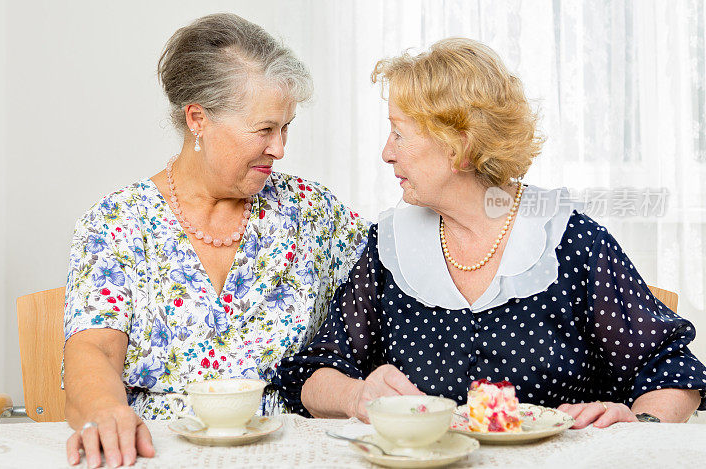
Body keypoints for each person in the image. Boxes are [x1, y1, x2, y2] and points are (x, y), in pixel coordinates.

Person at [274, 37, 706, 429]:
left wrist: (638, 422)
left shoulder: (570, 240)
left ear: (458, 145)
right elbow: (311, 374)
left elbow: (671, 369)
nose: (386, 153)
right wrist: (355, 395)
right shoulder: (389, 246)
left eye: (399, 134)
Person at [62, 13, 369, 468]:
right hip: (156, 453)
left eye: (286, 128)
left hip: (292, 455)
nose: (280, 149)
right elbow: (93, 350)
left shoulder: (311, 212)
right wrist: (107, 411)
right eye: (264, 130)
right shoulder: (117, 222)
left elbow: (393, 281)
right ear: (198, 119)